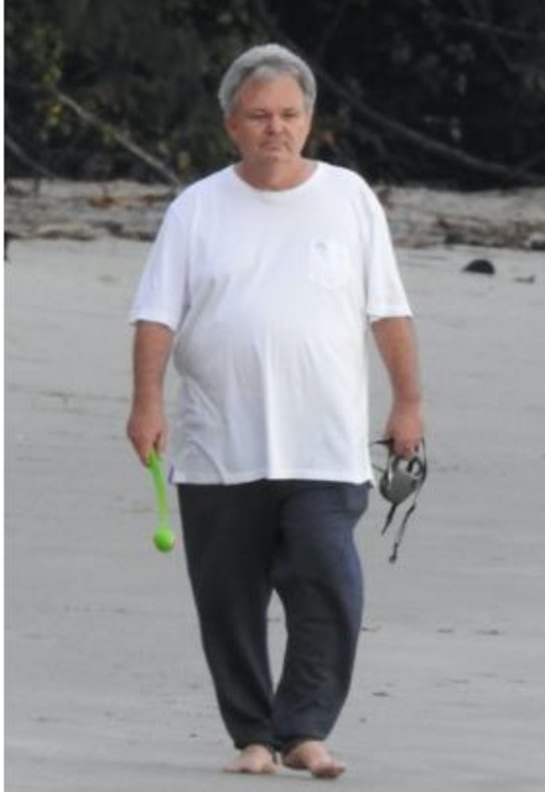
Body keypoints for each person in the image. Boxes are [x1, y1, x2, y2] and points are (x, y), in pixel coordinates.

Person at [127, 44, 424, 778]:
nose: (276, 128)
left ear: (310, 119)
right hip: (219, 449)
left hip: (325, 445)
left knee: (329, 584)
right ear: (232, 124)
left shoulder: (350, 197)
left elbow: (387, 310)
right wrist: (145, 402)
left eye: (290, 114)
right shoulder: (196, 208)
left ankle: (305, 730)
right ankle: (253, 737)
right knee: (228, 602)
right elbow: (156, 317)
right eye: (259, 116)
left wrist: (408, 401)